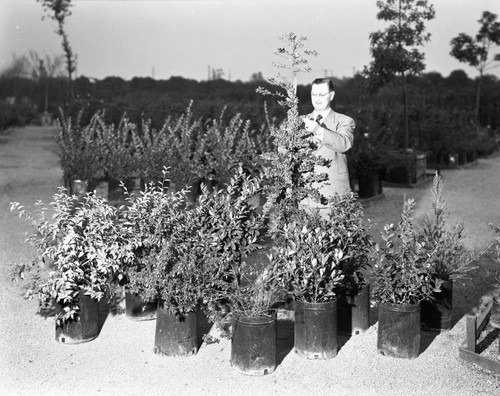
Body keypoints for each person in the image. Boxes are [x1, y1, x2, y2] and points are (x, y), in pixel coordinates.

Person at [301, 78, 355, 214]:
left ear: (331, 95)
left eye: (322, 95)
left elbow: (344, 144)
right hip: (304, 198)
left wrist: (318, 130)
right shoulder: (300, 121)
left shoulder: (344, 121)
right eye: (314, 94)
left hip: (333, 196)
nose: (317, 99)